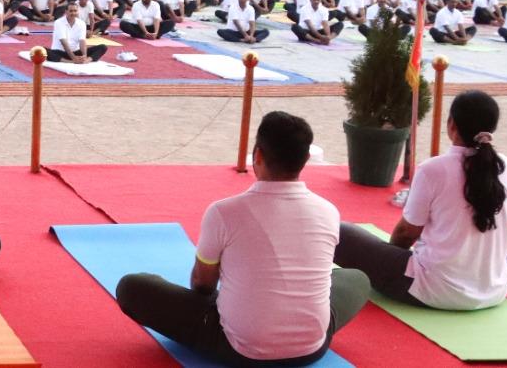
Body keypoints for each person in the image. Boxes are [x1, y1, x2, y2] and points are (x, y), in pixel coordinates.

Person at [115, 111, 369, 366]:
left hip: (238, 348)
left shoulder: (224, 212)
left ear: (257, 155)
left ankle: (243, 318)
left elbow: (202, 285)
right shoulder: (328, 211)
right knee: (357, 279)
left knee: (132, 288)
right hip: (312, 347)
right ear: (305, 159)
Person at [333, 91, 507, 309]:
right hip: (494, 291)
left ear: (452, 125)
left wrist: (391, 258)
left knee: (338, 232)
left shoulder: (433, 170)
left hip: (432, 290)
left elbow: (407, 233)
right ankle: (485, 280)